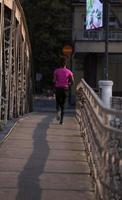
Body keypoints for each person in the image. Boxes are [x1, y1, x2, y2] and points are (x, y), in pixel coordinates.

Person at [53, 57, 74, 124]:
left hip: (58, 89)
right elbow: (72, 82)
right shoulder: (69, 72)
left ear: (60, 64)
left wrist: (57, 83)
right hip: (65, 89)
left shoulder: (56, 71)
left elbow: (54, 80)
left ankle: (57, 111)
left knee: (58, 102)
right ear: (66, 64)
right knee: (63, 104)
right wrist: (68, 84)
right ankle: (61, 121)